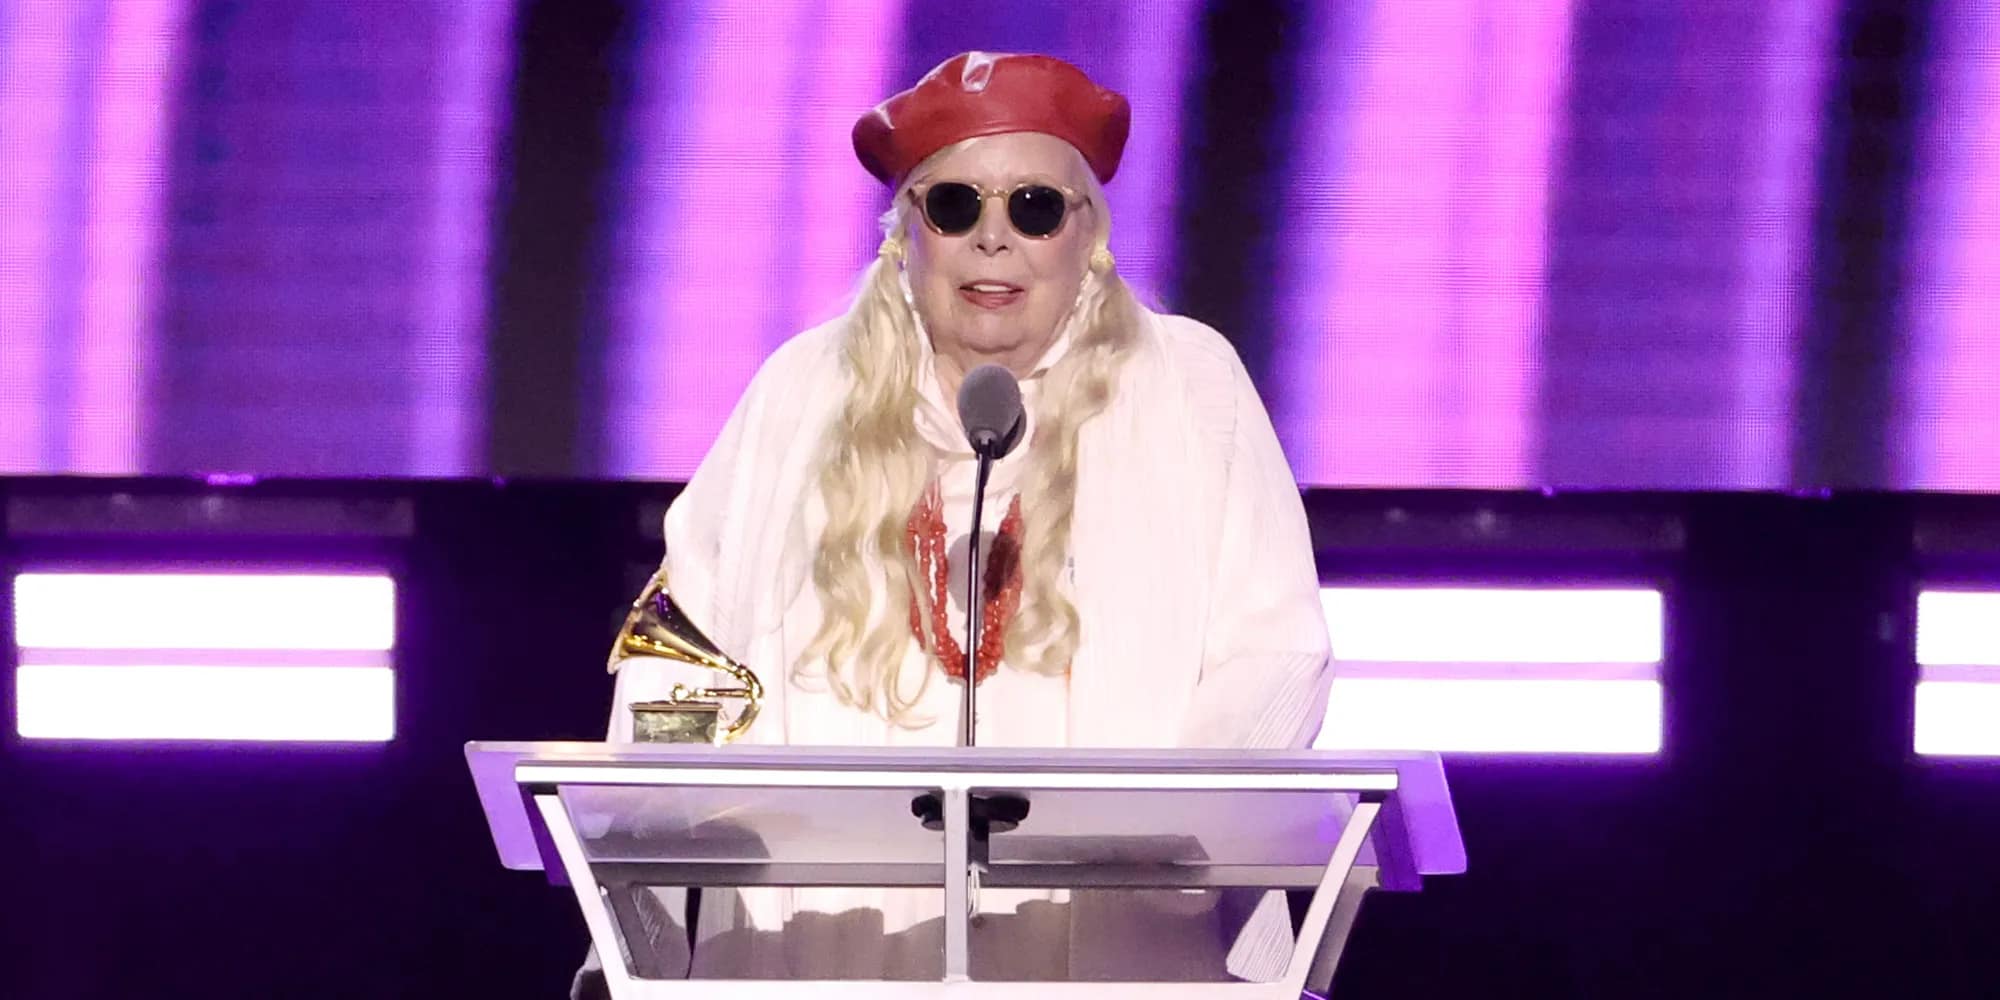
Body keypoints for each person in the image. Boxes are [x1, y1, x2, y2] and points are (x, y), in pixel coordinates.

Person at [581, 51, 1331, 991]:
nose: (993, 238)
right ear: (908, 235)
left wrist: (1158, 845)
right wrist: (642, 868)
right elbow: (682, 656)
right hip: (827, 941)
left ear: (1087, 233)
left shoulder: (1188, 387)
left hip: (1113, 936)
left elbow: (1276, 655)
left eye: (1034, 208)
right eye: (955, 206)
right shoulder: (801, 393)